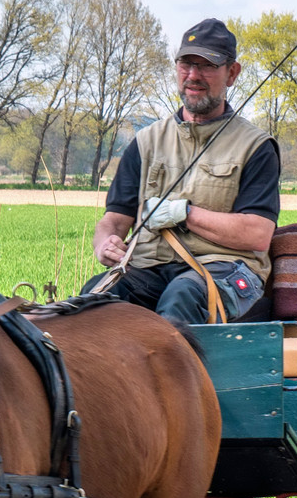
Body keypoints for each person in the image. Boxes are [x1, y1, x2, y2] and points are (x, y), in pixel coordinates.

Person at [89, 18, 282, 325]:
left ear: (232, 73)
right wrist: (105, 243)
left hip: (226, 269)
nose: (193, 75)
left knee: (181, 297)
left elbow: (257, 234)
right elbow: (114, 219)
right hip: (149, 268)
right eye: (186, 64)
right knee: (90, 304)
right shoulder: (146, 142)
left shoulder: (255, 146)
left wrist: (183, 213)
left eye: (206, 65)